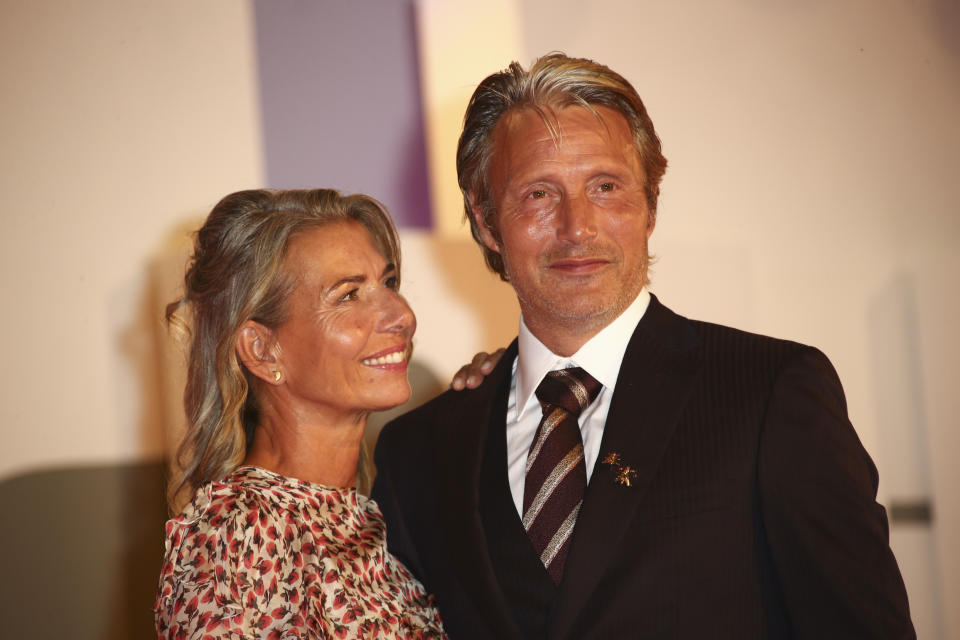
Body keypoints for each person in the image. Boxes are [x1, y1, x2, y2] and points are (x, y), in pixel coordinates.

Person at [372, 53, 915, 639]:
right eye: (538, 195)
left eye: (605, 187)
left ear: (650, 202)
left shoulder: (769, 392)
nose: (577, 226)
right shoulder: (418, 453)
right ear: (485, 221)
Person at [154, 189, 449, 639]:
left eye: (388, 283)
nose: (400, 315)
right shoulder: (238, 536)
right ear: (262, 348)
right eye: (349, 295)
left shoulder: (380, 517)